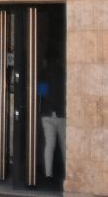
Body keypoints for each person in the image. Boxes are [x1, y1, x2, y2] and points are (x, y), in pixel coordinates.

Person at [39, 50, 65, 178]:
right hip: (61, 114)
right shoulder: (63, 73)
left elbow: (42, 94)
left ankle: (48, 174)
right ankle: (68, 173)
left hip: (47, 113)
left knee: (49, 145)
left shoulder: (43, 74)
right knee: (64, 145)